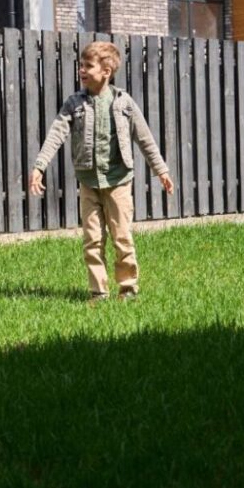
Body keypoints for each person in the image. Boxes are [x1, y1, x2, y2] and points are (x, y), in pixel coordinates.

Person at [28, 40, 173, 301]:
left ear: (106, 71)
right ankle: (98, 292)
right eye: (81, 65)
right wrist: (40, 165)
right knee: (92, 240)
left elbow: (145, 138)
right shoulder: (74, 103)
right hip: (89, 183)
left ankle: (128, 288)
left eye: (88, 66)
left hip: (118, 182)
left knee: (122, 237)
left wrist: (160, 170)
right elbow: (56, 134)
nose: (81, 70)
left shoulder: (123, 102)